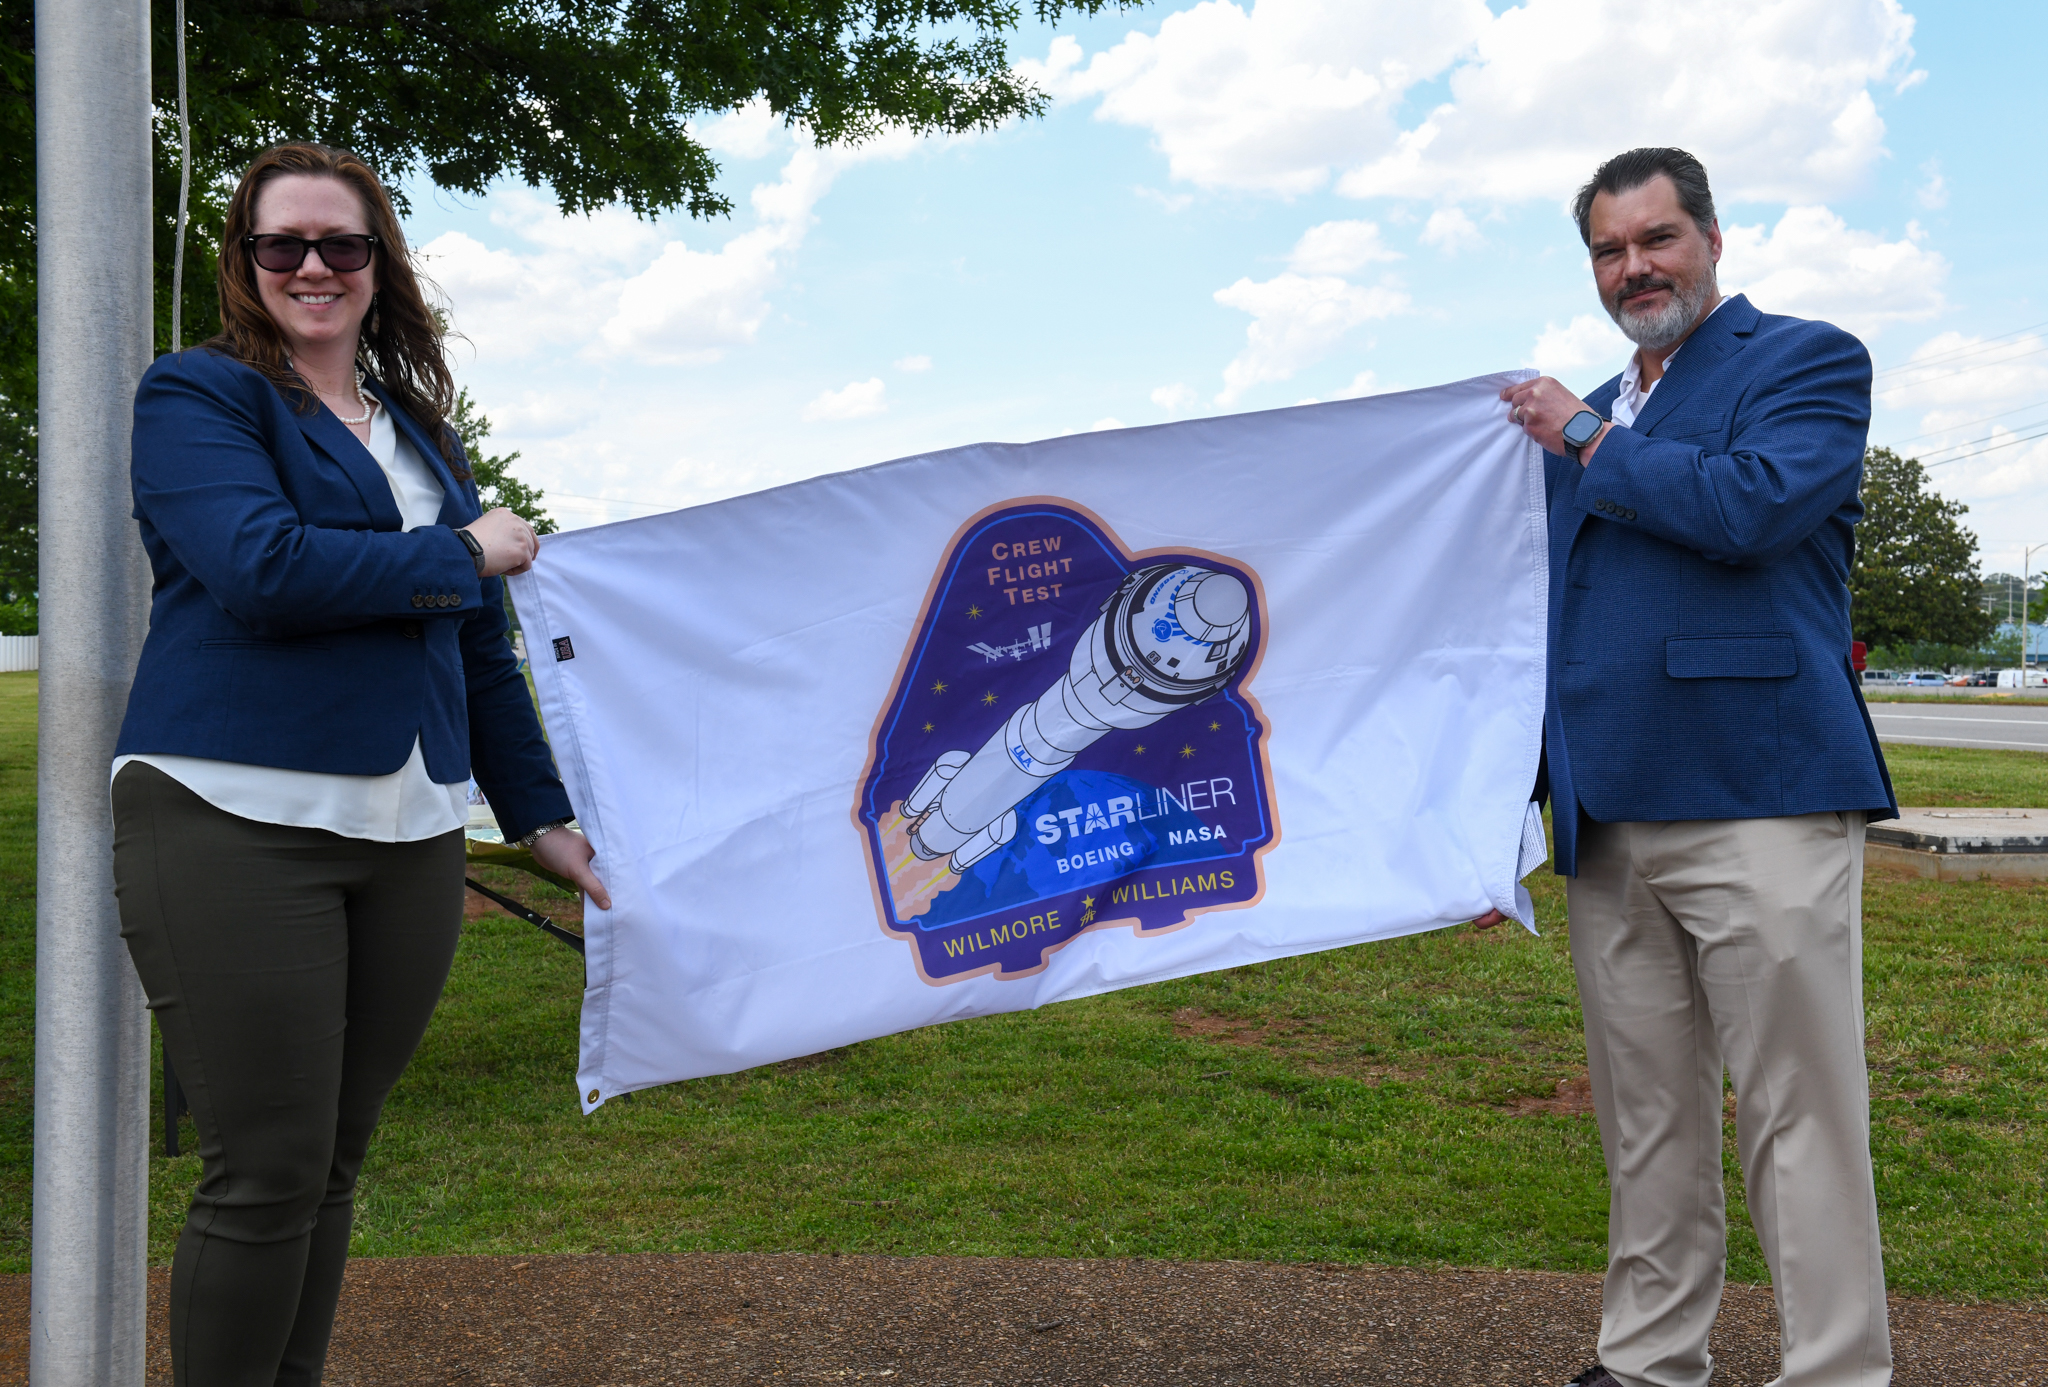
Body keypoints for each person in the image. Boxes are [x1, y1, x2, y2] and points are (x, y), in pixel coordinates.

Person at [111, 142, 612, 1385]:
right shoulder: (199, 397)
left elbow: (478, 650)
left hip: (412, 828)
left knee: (335, 1156)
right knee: (266, 1164)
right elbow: (261, 568)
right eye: (284, 245)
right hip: (234, 813)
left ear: (380, 263)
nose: (314, 267)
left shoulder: (418, 434)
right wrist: (466, 553)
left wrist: (538, 816)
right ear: (245, 264)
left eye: (342, 244)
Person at [1488, 148, 1898, 1387]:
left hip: (1757, 792)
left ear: (1712, 238)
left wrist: (1585, 437)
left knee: (1798, 1115)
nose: (1634, 269)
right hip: (1606, 812)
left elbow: (1750, 508)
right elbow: (1545, 608)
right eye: (1609, 252)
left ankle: (1833, 1370)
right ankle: (1649, 1358)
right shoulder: (1595, 413)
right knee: (1646, 1116)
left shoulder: (1805, 363)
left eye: (1656, 239)